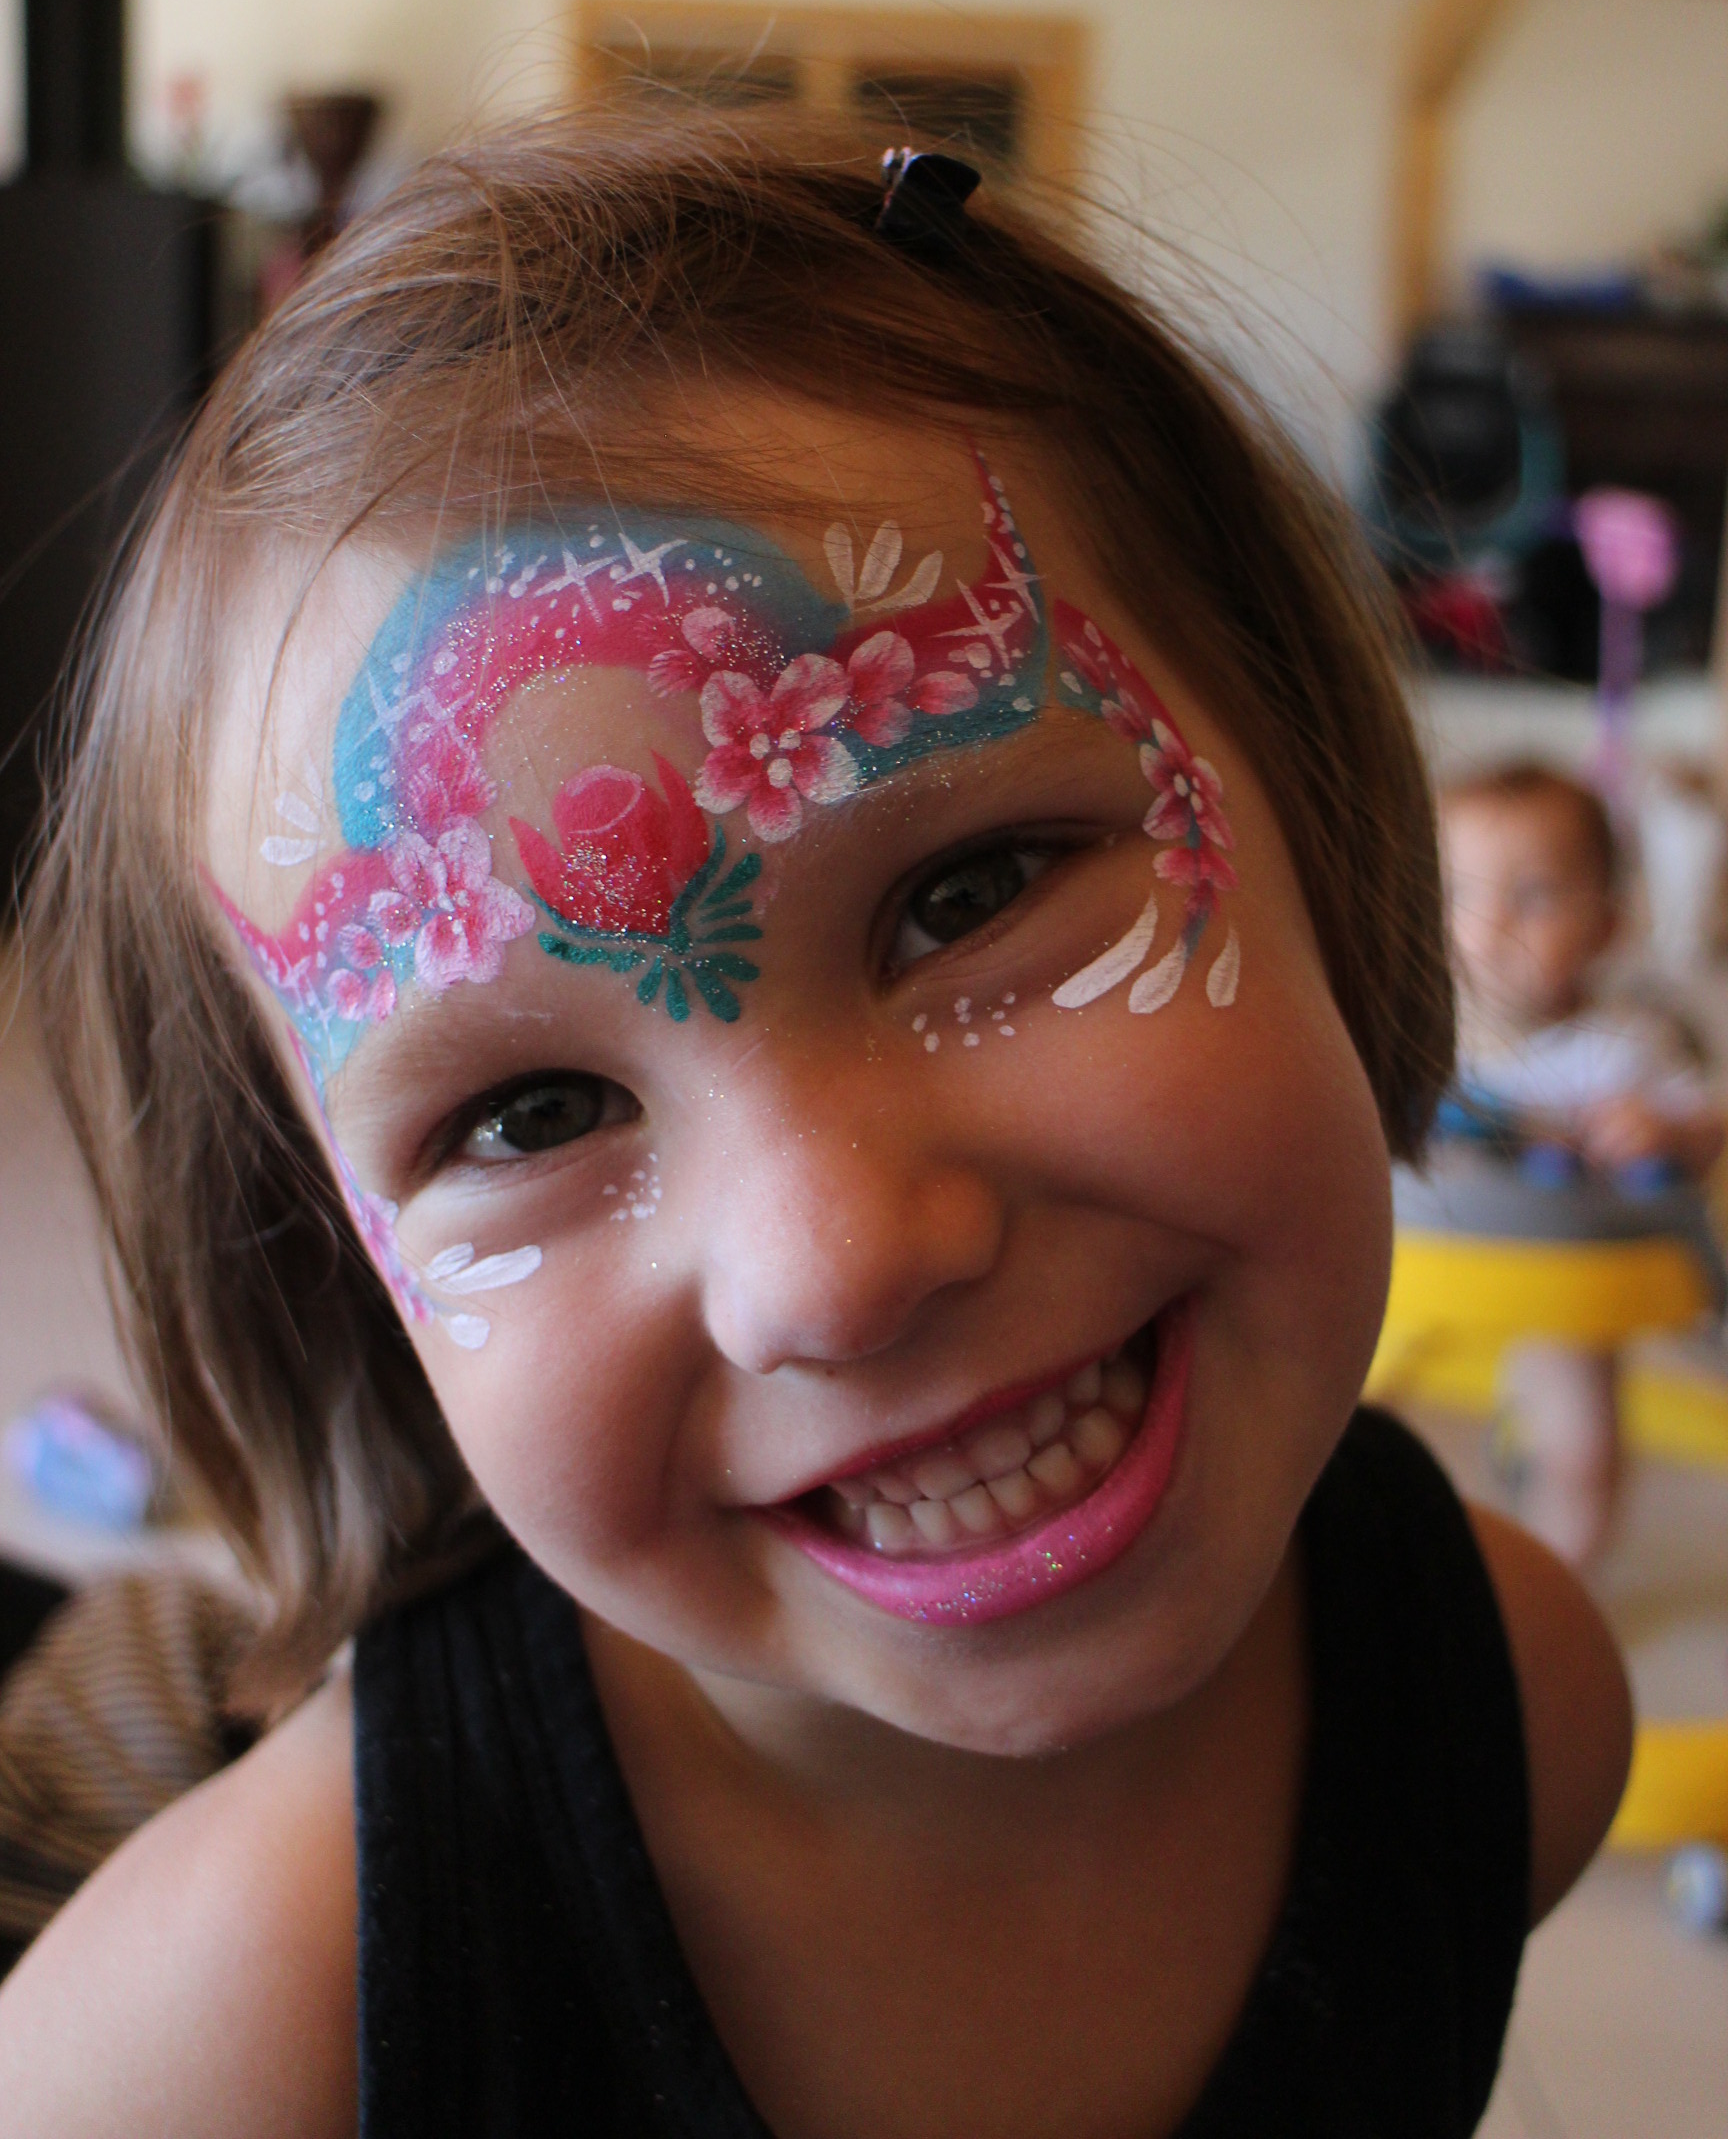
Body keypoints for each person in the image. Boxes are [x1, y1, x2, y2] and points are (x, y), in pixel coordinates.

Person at [0, 123, 1630, 2137]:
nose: (836, 1261)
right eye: (530, 1110)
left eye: (974, 894)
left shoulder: (1516, 1717)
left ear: (1313, 797)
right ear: (327, 1254)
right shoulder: (223, 2049)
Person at [1438, 762, 1725, 1565]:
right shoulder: (1428, 1034)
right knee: (1341, 1419)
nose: (1491, 923)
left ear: (1609, 922)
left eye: (1533, 896)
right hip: (1429, 1268)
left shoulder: (1624, 1046)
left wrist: (1663, 1133)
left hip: (1564, 1280)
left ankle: (1556, 1585)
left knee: (1581, 1453)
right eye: (1462, 895)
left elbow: (1708, 1131)